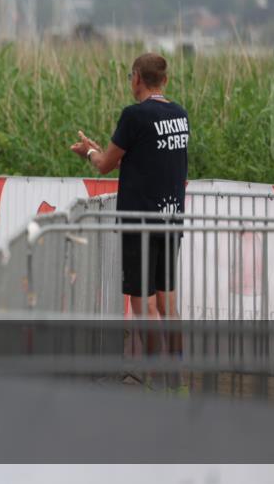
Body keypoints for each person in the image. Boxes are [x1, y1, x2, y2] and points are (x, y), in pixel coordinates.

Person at [69, 53, 189, 351]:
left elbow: (103, 166)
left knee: (144, 306)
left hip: (140, 223)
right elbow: (149, 160)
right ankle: (176, 370)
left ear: (136, 78)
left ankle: (155, 372)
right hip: (171, 219)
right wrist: (105, 153)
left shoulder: (134, 115)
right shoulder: (180, 115)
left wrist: (89, 152)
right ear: (165, 80)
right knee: (167, 304)